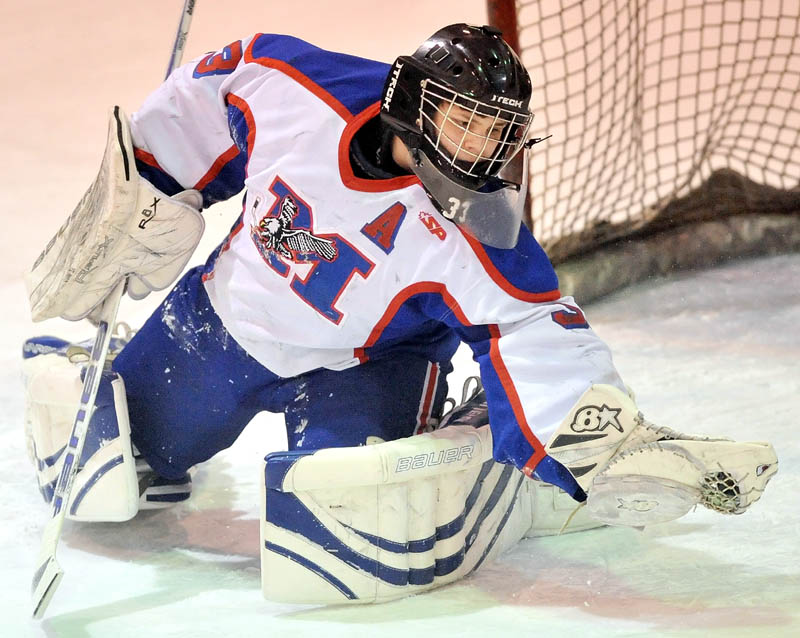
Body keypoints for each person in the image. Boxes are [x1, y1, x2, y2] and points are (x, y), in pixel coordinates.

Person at [24, 24, 775, 528]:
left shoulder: (483, 227)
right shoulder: (296, 87)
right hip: (222, 327)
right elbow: (217, 89)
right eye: (465, 124)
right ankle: (124, 372)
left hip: (366, 371)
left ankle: (479, 424)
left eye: (497, 136)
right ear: (411, 102)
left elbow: (532, 321)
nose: (480, 153)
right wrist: (152, 184)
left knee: (338, 514)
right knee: (116, 462)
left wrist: (598, 438)